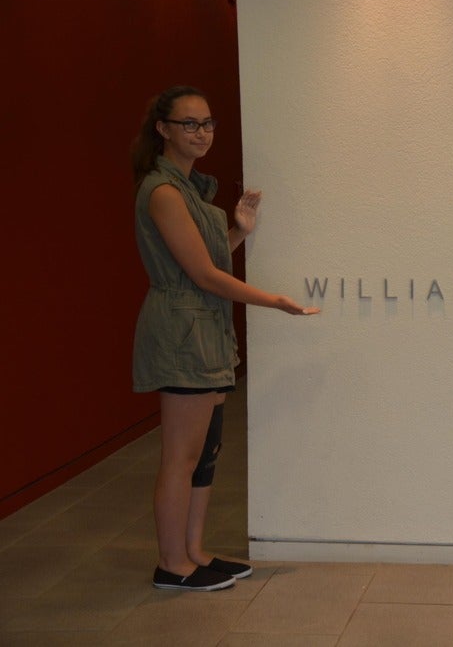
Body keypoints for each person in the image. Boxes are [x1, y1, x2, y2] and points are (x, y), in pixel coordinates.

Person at [129, 85, 319, 591]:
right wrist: (274, 300)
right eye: (189, 123)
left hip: (203, 327)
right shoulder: (164, 192)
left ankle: (193, 550)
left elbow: (206, 262)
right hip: (183, 331)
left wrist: (238, 231)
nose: (202, 132)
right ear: (163, 129)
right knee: (182, 454)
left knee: (206, 449)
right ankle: (172, 563)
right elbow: (204, 276)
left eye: (208, 123)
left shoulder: (190, 189)